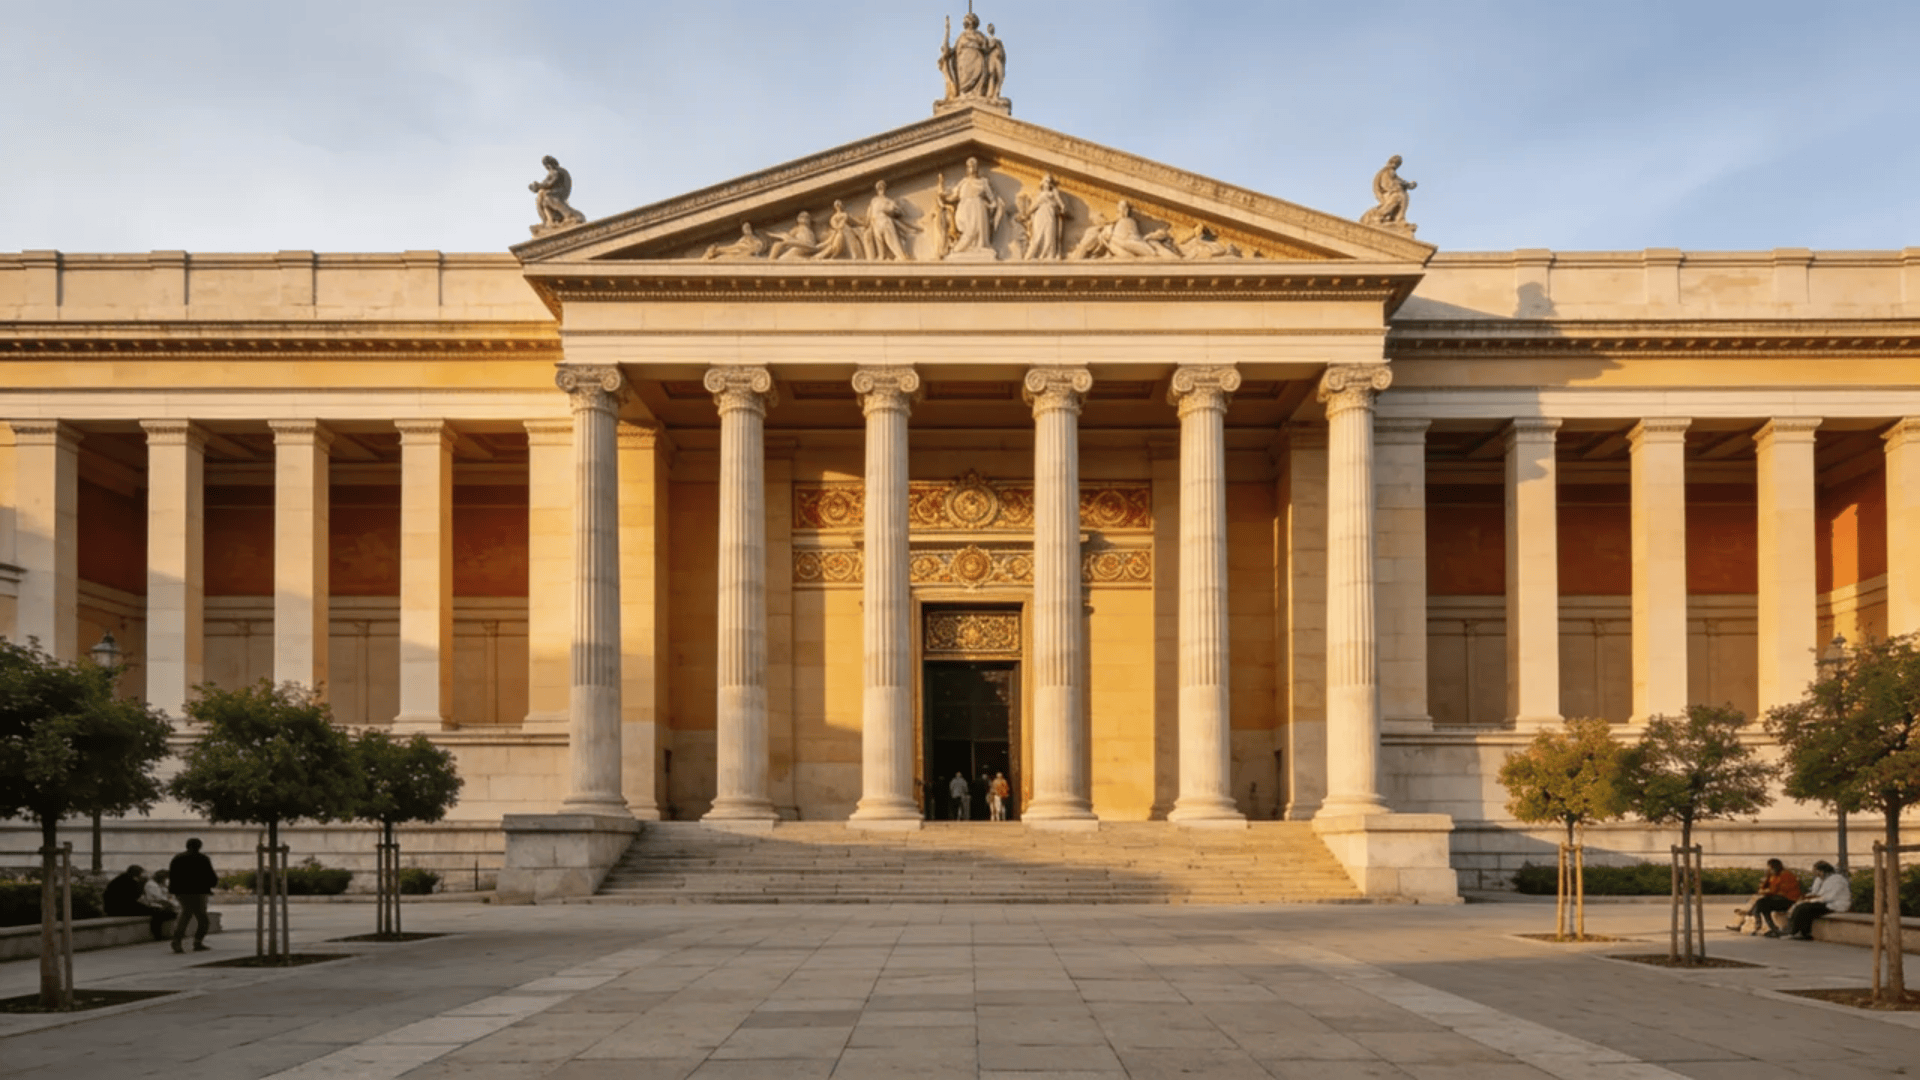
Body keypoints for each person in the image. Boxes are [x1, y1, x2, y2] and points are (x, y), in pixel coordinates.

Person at [936, 158, 1003, 256]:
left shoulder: (983, 182)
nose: (971, 168)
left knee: (975, 231)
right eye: (969, 166)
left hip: (978, 209)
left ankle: (974, 247)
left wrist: (988, 206)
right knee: (968, 230)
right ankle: (962, 248)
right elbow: (953, 196)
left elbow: (993, 201)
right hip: (965, 210)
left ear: (977, 168)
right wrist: (942, 194)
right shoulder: (963, 182)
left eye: (973, 166)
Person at [168, 837, 219, 954]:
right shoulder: (203, 858)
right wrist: (211, 884)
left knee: (186, 915)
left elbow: (172, 876)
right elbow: (210, 875)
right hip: (199, 891)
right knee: (202, 918)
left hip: (182, 892)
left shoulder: (178, 858)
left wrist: (174, 890)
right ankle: (197, 942)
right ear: (199, 846)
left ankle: (177, 941)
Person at [1728, 858, 1800, 936]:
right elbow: (1766, 888)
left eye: (1769, 867)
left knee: (1760, 903)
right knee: (1762, 905)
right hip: (1780, 899)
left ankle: (1755, 921)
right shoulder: (1777, 875)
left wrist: (1763, 890)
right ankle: (1769, 927)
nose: (1768, 869)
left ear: (1773, 867)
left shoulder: (1784, 875)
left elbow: (1773, 890)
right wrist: (1767, 878)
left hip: (1787, 900)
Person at [1784, 860, 1852, 940]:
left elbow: (1830, 897)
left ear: (1822, 871)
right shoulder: (1820, 879)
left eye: (1816, 871)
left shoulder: (1837, 880)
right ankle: (1798, 931)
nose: (1814, 873)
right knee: (1800, 907)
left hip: (1835, 904)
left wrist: (1811, 900)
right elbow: (1815, 892)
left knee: (1805, 908)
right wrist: (1806, 898)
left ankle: (1799, 933)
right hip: (1824, 902)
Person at [104, 865, 172, 941]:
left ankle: (158, 934)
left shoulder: (119, 879)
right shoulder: (131, 881)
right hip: (122, 909)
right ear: (138, 874)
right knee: (157, 912)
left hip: (113, 908)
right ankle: (157, 935)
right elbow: (136, 896)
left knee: (155, 910)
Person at [863, 181, 919, 261]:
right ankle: (881, 256)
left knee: (892, 241)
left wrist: (889, 210)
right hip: (876, 223)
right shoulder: (874, 201)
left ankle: (901, 256)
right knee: (879, 241)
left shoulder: (888, 201)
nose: (881, 189)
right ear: (877, 190)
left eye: (882, 187)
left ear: (884, 189)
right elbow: (869, 214)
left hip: (885, 222)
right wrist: (865, 224)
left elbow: (899, 211)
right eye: (879, 188)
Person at [528, 155, 586, 230]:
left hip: (560, 191)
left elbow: (550, 183)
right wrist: (535, 187)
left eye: (548, 165)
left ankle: (569, 214)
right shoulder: (552, 172)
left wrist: (539, 186)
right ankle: (551, 220)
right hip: (554, 192)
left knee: (548, 198)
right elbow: (545, 183)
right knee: (544, 201)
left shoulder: (558, 171)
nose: (547, 167)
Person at [1359, 155, 1417, 228]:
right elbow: (1376, 184)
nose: (1395, 164)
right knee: (1392, 203)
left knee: (1403, 200)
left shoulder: (1393, 174)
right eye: (1395, 162)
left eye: (1397, 163)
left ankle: (1399, 219)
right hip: (1391, 192)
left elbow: (1400, 181)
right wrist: (1381, 196)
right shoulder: (1385, 171)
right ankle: (1378, 216)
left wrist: (1408, 185)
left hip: (1397, 191)